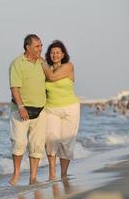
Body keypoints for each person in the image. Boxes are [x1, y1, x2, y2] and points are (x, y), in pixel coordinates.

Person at [8, 34, 46, 185]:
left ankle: (33, 177)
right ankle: (16, 174)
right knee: (19, 142)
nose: (40, 49)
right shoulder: (17, 63)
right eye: (37, 46)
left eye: (41, 45)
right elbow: (14, 87)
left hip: (41, 110)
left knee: (37, 144)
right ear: (27, 47)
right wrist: (21, 106)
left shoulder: (42, 63)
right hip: (21, 110)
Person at [41, 40, 80, 180]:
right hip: (51, 109)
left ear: (63, 54)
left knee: (66, 142)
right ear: (49, 54)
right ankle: (52, 173)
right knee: (50, 140)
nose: (55, 55)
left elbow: (52, 77)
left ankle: (63, 174)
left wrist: (42, 63)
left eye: (58, 52)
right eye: (52, 52)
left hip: (70, 108)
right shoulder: (46, 68)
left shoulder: (68, 66)